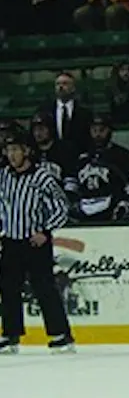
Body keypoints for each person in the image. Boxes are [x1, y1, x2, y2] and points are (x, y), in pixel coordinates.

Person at [0, 123, 74, 353]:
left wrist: (46, 231)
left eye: (15, 150)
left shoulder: (42, 177)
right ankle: (11, 336)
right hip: (11, 241)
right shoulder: (3, 176)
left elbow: (62, 206)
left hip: (35, 242)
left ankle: (62, 335)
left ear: (27, 151)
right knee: (8, 288)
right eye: (8, 150)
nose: (11, 155)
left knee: (44, 288)